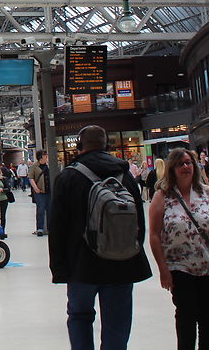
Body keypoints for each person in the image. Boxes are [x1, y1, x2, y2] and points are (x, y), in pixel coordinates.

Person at [48, 125, 152, 350]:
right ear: (106, 144)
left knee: (80, 316)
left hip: (81, 265)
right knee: (118, 321)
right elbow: (139, 222)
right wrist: (132, 250)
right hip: (122, 263)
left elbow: (57, 226)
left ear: (79, 145)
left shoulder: (68, 177)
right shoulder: (126, 176)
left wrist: (59, 268)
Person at [148, 148, 209, 350]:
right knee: (186, 322)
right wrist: (163, 270)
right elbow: (154, 235)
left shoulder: (206, 191)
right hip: (181, 269)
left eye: (189, 162)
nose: (186, 167)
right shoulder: (162, 196)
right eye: (181, 164)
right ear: (172, 168)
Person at [29, 150, 50, 236]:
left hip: (49, 191)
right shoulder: (34, 166)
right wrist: (36, 188)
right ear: (41, 156)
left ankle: (50, 227)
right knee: (40, 209)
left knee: (50, 210)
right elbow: (31, 177)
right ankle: (40, 228)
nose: (46, 157)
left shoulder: (49, 166)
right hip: (40, 192)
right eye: (45, 155)